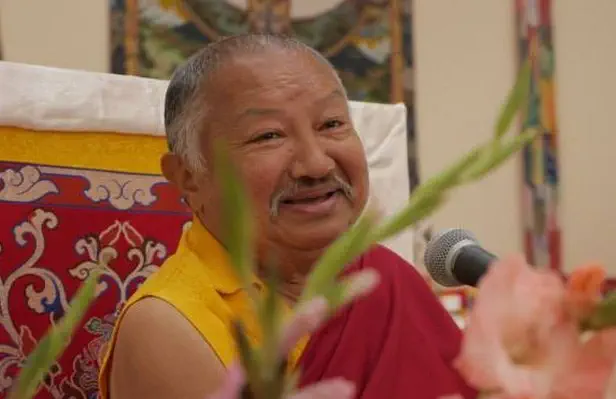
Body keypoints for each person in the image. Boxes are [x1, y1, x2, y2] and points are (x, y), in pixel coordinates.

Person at [98, 34, 477, 399]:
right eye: (268, 136)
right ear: (189, 178)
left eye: (331, 124)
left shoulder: (380, 282)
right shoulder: (169, 328)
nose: (315, 163)